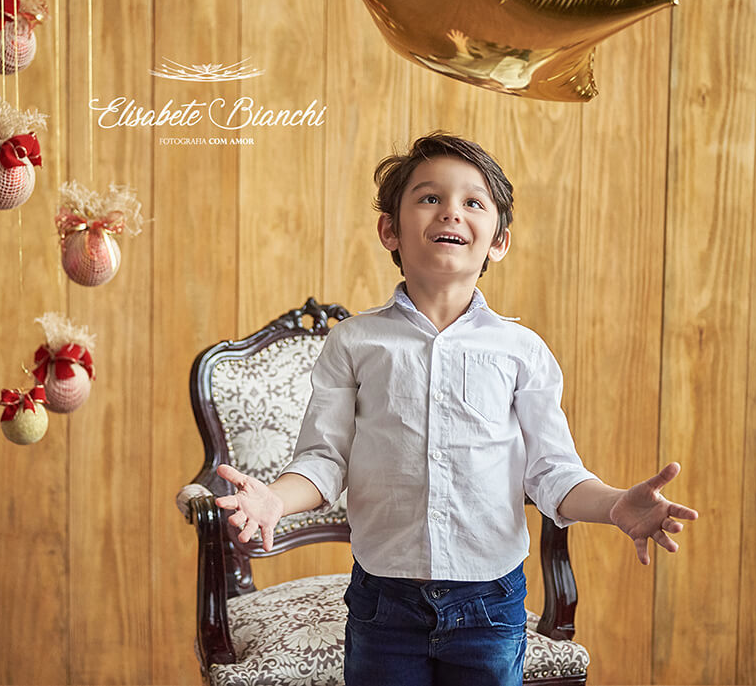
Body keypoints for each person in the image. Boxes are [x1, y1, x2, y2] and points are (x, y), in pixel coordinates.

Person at [215, 132, 698, 686]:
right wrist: (277, 497)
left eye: (473, 202)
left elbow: (552, 472)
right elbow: (324, 460)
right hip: (383, 601)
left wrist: (615, 504)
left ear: (499, 241)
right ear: (389, 229)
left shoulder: (522, 351)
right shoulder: (354, 342)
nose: (451, 211)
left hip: (490, 602)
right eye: (428, 197)